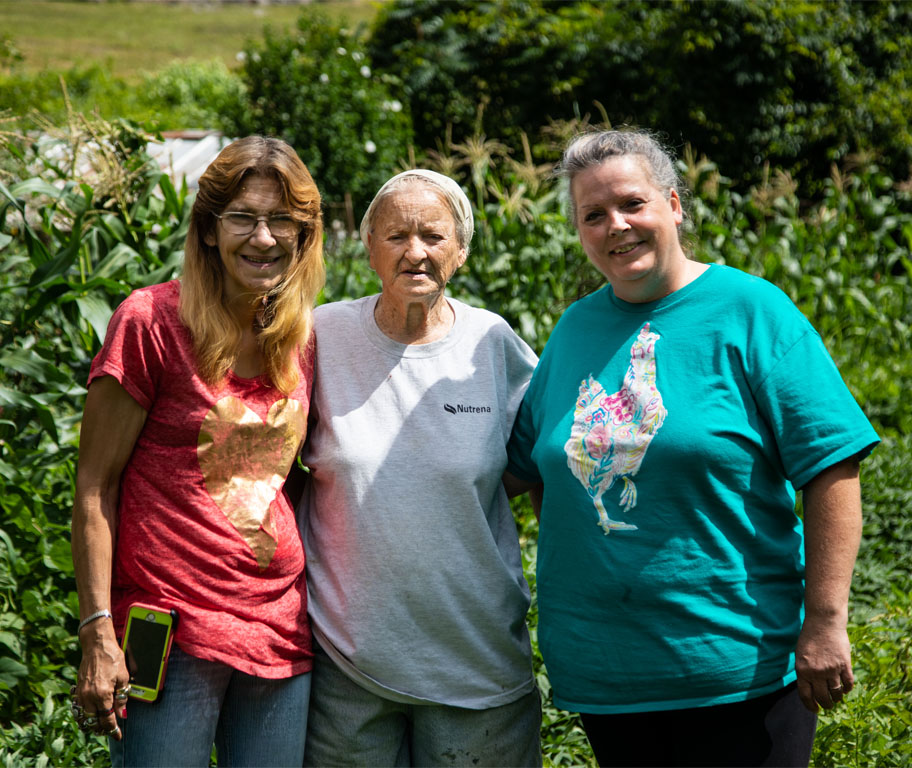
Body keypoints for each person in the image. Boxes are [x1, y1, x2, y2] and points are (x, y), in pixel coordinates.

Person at [504, 129, 880, 767]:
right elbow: (529, 467)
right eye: (593, 215)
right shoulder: (574, 330)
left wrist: (823, 622)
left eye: (632, 204)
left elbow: (831, 469)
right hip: (606, 674)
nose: (616, 226)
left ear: (674, 205)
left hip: (734, 664)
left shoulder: (751, 312)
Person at [70, 135, 325, 767]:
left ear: (302, 236)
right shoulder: (150, 322)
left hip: (281, 631)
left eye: (281, 221)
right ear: (209, 230)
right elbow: (94, 487)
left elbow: (280, 483)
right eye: (243, 218)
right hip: (171, 631)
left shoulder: (302, 338)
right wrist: (97, 631)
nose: (263, 238)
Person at [297, 169, 543, 767]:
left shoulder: (491, 341)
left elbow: (539, 461)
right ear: (368, 246)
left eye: (433, 237)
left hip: (477, 660)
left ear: (459, 250)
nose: (415, 252)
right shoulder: (320, 334)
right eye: (396, 236)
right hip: (347, 664)